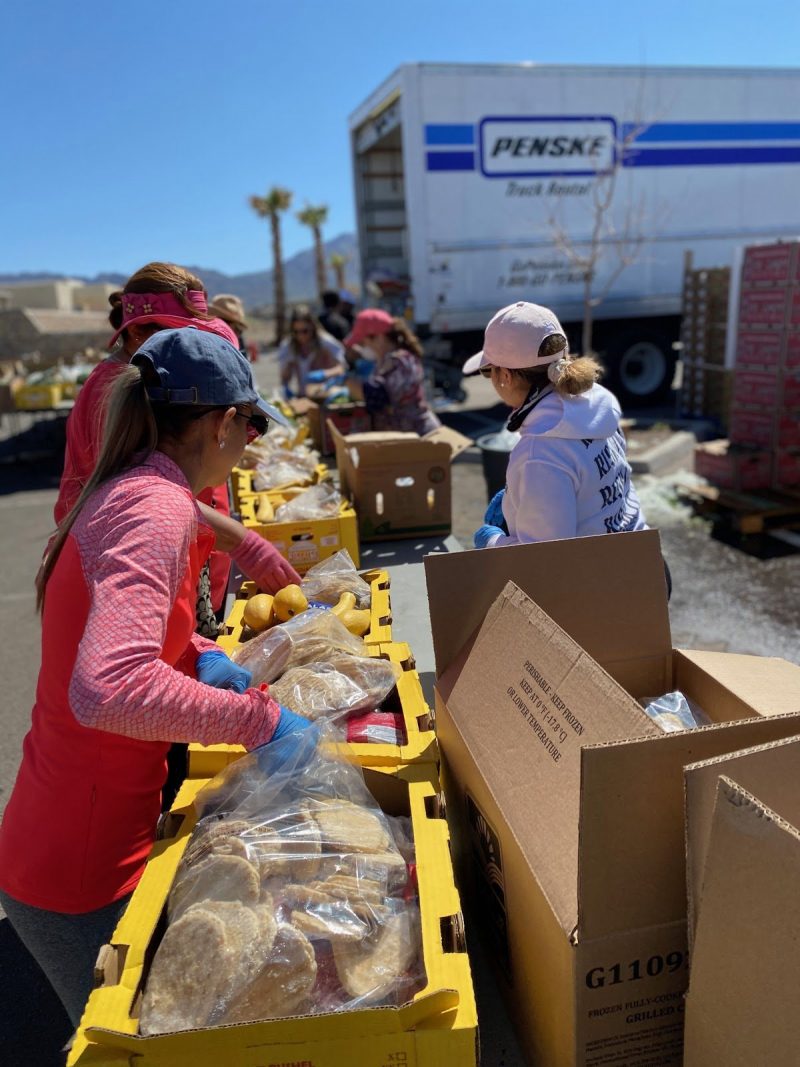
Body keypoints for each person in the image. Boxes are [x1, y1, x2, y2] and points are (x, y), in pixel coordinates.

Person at [0, 328, 314, 1027]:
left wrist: (197, 648)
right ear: (220, 421)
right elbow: (107, 684)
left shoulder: (143, 486)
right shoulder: (152, 505)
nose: (253, 444)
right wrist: (260, 719)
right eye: (252, 424)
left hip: (86, 830)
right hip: (78, 866)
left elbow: (133, 624)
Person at [54, 263, 300, 620]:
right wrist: (245, 544)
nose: (194, 347)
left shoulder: (159, 381)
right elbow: (138, 499)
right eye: (182, 335)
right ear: (138, 332)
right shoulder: (112, 396)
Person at [467, 301, 651, 551]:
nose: (491, 379)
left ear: (506, 376)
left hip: (606, 584)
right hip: (645, 563)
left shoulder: (539, 453)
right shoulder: (594, 402)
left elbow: (543, 559)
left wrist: (491, 540)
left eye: (489, 372)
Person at [344, 309, 441, 435]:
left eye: (363, 343)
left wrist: (346, 380)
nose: (361, 348)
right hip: (403, 439)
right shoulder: (383, 362)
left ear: (379, 337)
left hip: (420, 439)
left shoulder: (401, 362)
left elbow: (378, 398)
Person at [278, 306, 345, 397]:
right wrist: (285, 385)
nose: (300, 336)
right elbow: (284, 376)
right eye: (296, 332)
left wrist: (323, 374)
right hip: (303, 396)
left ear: (312, 327)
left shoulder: (325, 342)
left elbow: (342, 368)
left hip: (325, 395)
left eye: (304, 331)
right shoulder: (288, 346)